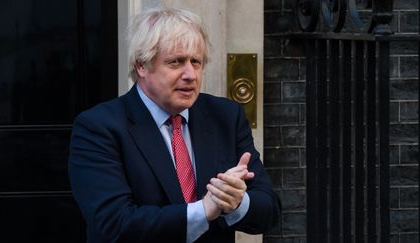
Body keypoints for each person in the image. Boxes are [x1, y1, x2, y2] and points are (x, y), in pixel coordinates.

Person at [68, 6, 280, 243]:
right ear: (142, 65)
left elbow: (269, 210)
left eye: (196, 62)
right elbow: (114, 224)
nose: (190, 74)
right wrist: (204, 209)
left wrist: (237, 202)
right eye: (176, 62)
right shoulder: (99, 127)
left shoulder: (226, 117)